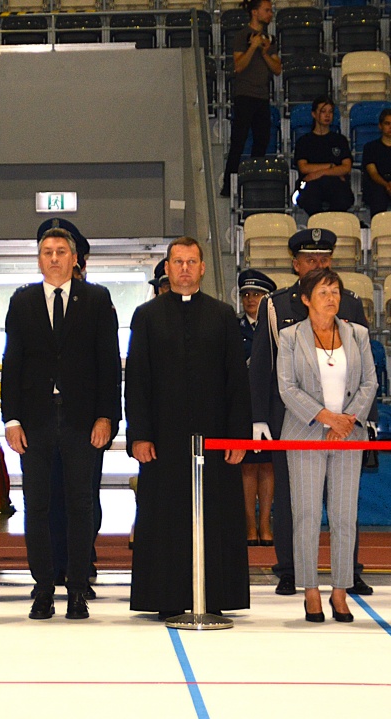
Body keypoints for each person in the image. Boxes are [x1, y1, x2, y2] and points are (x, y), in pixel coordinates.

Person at [125, 237, 252, 620]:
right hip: (163, 440)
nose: (184, 268)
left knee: (216, 514)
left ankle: (215, 597)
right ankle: (165, 597)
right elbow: (137, 381)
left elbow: (236, 381)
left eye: (191, 262)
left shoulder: (222, 315)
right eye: (177, 262)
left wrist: (238, 436)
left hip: (215, 438)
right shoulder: (146, 316)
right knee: (165, 516)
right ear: (167, 268)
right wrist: (139, 435)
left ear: (202, 268)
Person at [1, 226, 121, 621]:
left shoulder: (97, 299)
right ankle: (42, 589)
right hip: (34, 422)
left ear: (74, 259)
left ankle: (77, 589)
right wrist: (11, 419)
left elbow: (108, 363)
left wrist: (106, 416)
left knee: (80, 505)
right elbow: (13, 363)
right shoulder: (22, 301)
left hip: (81, 421)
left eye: (61, 251)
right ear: (39, 260)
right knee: (36, 506)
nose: (54, 258)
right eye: (47, 252)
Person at [250, 228, 374, 597]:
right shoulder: (276, 305)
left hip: (347, 424)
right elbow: (263, 364)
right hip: (295, 419)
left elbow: (364, 371)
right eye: (310, 259)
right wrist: (258, 417)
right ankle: (290, 570)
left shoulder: (348, 303)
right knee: (294, 502)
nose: (318, 264)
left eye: (324, 259)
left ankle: (348, 572)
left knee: (344, 505)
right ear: (296, 264)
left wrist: (356, 417)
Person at [278, 268, 376, 624]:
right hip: (305, 434)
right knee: (306, 516)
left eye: (335, 291)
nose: (331, 298)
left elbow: (369, 383)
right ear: (306, 299)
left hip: (349, 435)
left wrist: (346, 419)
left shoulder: (357, 334)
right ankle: (310, 590)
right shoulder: (290, 336)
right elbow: (287, 387)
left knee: (344, 516)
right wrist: (326, 418)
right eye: (323, 292)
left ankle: (340, 590)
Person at [221, 0, 281, 198]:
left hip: (262, 97)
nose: (270, 14)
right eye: (267, 10)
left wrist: (264, 51)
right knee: (238, 142)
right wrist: (252, 47)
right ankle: (228, 186)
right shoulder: (242, 36)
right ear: (255, 12)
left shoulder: (269, 39)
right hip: (245, 95)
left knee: (262, 141)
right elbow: (238, 66)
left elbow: (277, 69)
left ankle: (254, 184)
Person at [237, 268, 277, 547]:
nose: (251, 299)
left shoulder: (276, 327)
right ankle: (250, 524)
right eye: (246, 294)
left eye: (257, 294)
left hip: (271, 404)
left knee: (269, 466)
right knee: (248, 467)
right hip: (244, 405)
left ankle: (266, 523)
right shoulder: (233, 327)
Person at [294, 96, 353, 215]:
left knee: (343, 199)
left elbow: (346, 167)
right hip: (310, 184)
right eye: (323, 111)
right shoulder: (304, 141)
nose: (327, 115)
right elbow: (304, 168)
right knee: (310, 200)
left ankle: (333, 222)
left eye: (330, 112)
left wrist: (319, 173)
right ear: (314, 114)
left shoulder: (340, 140)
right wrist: (331, 166)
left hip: (334, 183)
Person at [361, 108, 391, 214]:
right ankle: (377, 224)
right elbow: (373, 173)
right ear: (380, 126)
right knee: (378, 193)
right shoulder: (370, 148)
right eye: (387, 123)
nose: (390, 127)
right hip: (377, 186)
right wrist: (387, 185)